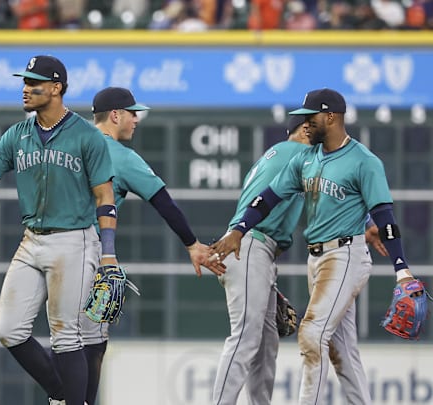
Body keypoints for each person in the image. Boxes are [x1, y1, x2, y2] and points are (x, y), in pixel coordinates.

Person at [210, 88, 416, 404]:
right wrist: (239, 228)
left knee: (312, 334)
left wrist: (401, 270)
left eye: (311, 117)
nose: (306, 123)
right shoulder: (306, 158)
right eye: (303, 118)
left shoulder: (363, 160)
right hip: (317, 259)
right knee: (342, 349)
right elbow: (267, 199)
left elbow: (385, 216)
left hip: (345, 254)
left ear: (331, 116)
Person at [0, 55, 118, 405]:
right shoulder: (17, 134)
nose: (25, 89)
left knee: (65, 337)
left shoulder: (86, 136)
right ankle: (60, 393)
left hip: (74, 241)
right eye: (24, 82)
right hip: (32, 241)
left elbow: (105, 196)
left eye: (33, 83)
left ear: (56, 88)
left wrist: (109, 252)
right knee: (8, 329)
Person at [77, 86, 225, 405]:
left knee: (64, 339)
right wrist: (192, 245)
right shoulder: (121, 157)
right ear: (115, 115)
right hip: (88, 250)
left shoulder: (70, 142)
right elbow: (165, 204)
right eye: (133, 113)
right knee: (92, 339)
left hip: (49, 245)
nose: (136, 120)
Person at [212, 115, 310, 405]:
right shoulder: (302, 153)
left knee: (266, 346)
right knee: (245, 339)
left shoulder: (273, 155)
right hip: (250, 246)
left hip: (257, 251)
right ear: (305, 129)